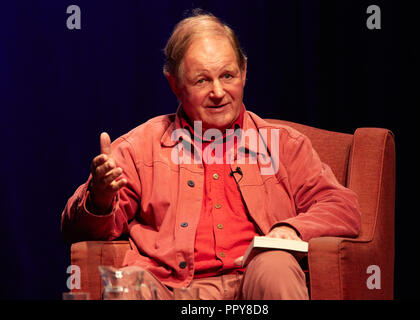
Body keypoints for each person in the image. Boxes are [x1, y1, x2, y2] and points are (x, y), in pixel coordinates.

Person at [61, 10, 361, 300]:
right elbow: (77, 229)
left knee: (276, 265)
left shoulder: (283, 145)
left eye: (228, 75)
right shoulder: (140, 147)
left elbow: (342, 206)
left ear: (244, 73)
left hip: (256, 279)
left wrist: (291, 228)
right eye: (202, 80)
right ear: (175, 85)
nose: (218, 91)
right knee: (128, 283)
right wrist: (99, 198)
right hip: (171, 287)